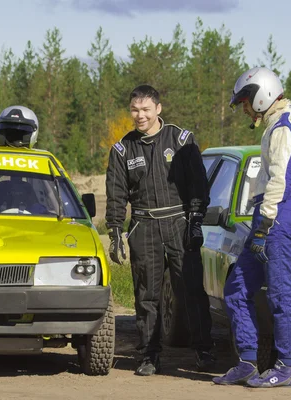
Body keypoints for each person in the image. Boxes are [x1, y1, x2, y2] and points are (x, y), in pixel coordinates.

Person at [213, 67, 291, 388]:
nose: (244, 108)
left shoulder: (285, 128)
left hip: (279, 213)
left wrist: (263, 225)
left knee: (281, 295)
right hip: (269, 214)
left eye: (245, 101)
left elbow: (281, 182)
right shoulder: (273, 126)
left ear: (262, 96)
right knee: (236, 289)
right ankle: (247, 361)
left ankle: (285, 368)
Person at [105, 84, 214, 376]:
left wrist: (195, 220)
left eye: (145, 110)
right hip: (143, 225)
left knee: (190, 290)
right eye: (135, 110)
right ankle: (149, 356)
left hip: (179, 222)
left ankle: (204, 350)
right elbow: (116, 194)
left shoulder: (181, 140)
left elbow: (198, 185)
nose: (140, 116)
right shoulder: (122, 148)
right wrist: (116, 231)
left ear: (158, 109)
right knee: (147, 296)